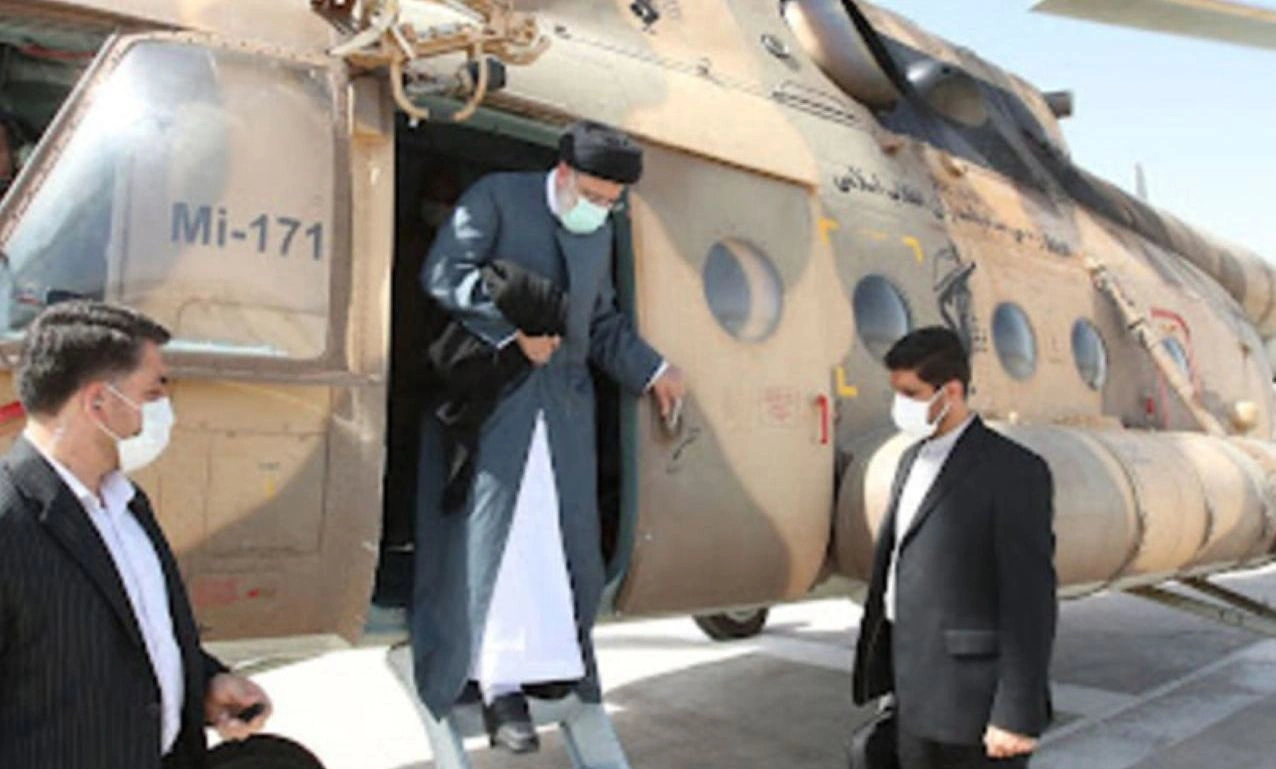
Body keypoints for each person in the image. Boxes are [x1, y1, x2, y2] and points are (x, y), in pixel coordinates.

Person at [412, 120, 686, 754]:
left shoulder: (599, 231)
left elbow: (602, 323)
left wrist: (654, 371)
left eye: (611, 201)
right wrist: (512, 333)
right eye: (592, 195)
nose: (599, 209)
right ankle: (495, 684)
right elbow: (444, 271)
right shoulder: (496, 197)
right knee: (499, 546)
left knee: (563, 544)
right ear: (563, 174)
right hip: (496, 401)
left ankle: (552, 666)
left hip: (563, 413)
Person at [0, 301, 272, 769]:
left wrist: (206, 682)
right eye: (152, 392)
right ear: (98, 402)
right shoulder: (10, 520)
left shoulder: (127, 504)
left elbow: (133, 636)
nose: (165, 409)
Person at [851, 327, 1056, 768]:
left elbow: (1030, 601)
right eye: (896, 392)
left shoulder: (1014, 470)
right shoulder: (910, 460)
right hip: (914, 694)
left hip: (974, 704)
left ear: (952, 392)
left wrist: (1016, 714)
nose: (900, 405)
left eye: (911, 393)